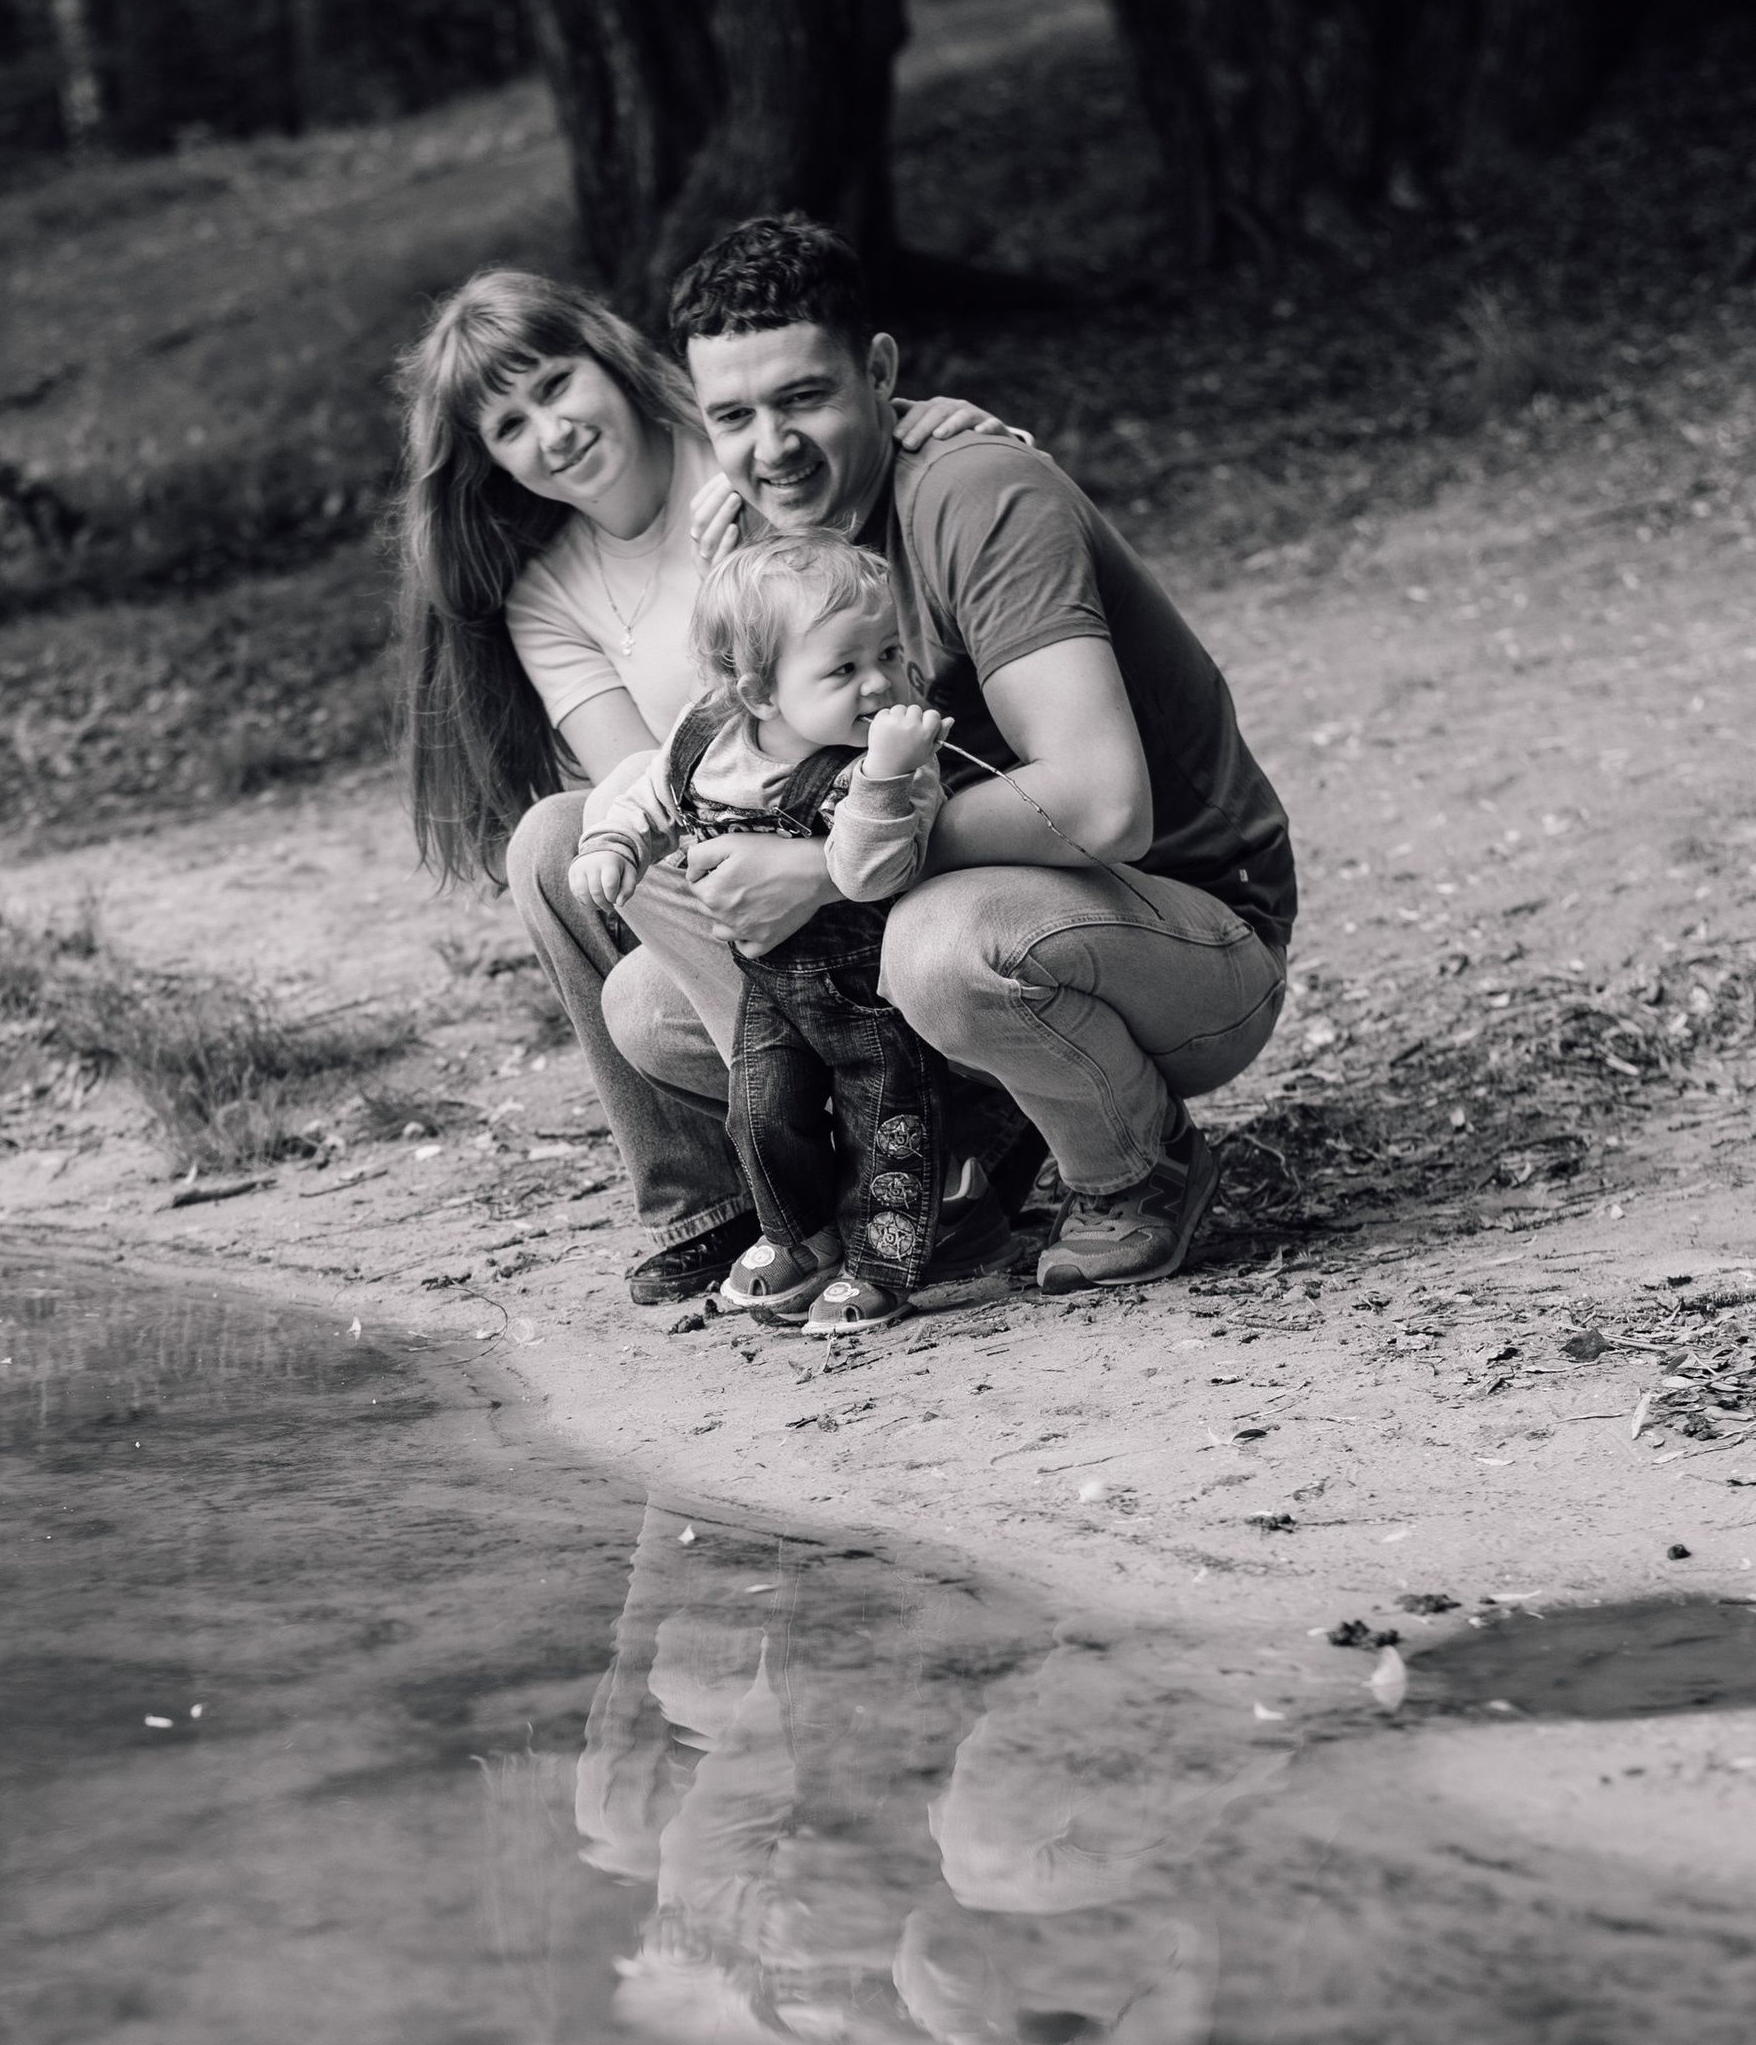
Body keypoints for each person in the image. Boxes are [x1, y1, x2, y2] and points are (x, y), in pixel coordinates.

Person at [663, 214, 1297, 1291]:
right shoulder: (781, 533)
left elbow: (1105, 806)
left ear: (879, 372)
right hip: (990, 906)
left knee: (941, 946)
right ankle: (902, 1186)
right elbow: (735, 763)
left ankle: (1136, 1168)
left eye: (803, 398)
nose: (770, 447)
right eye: (733, 416)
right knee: (651, 1004)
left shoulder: (978, 496)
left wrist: (827, 869)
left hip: (1184, 933)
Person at [393, 270, 1004, 1306]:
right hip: (736, 839)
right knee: (562, 835)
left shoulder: (733, 460)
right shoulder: (547, 592)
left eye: (555, 384)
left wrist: (941, 426)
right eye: (509, 425)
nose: (552, 431)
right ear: (487, 459)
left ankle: (882, 1149)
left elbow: (863, 495)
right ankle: (723, 1199)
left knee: (631, 947)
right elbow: (655, 769)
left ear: (607, 358)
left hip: (860, 810)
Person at [571, 534, 949, 1336]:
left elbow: (870, 873)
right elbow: (655, 796)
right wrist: (614, 844)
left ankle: (879, 1268)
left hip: (875, 990)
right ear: (759, 693)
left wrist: (886, 774)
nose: (880, 682)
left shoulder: (892, 761)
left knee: (884, 1124)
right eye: (844, 669)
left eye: (889, 653)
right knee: (762, 1111)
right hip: (771, 981)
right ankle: (800, 1238)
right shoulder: (709, 736)